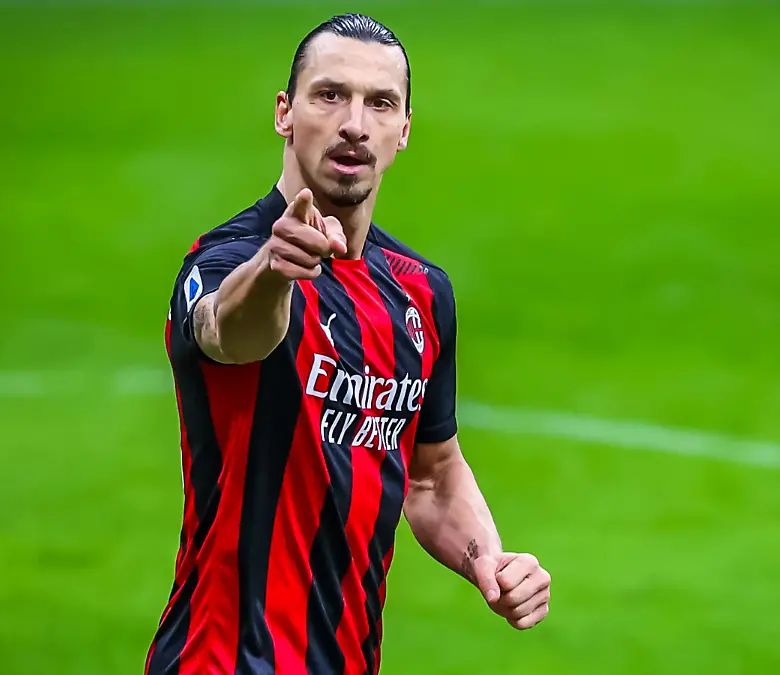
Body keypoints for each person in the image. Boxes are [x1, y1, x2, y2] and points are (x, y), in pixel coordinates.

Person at [145, 12, 551, 675]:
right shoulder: (223, 263)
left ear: (405, 130)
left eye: (379, 103)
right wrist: (276, 270)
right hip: (221, 661)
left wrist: (491, 561)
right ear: (285, 113)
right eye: (330, 95)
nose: (354, 123)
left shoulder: (421, 292)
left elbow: (432, 473)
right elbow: (229, 331)